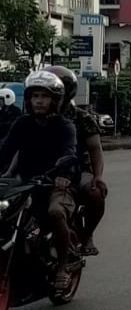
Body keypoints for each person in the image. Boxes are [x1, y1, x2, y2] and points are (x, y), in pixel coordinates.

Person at [0, 71, 79, 288]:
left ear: (55, 100)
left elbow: (70, 153)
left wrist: (64, 175)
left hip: (56, 184)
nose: (39, 101)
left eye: (45, 96)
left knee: (55, 212)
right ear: (28, 99)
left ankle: (62, 265)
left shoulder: (65, 126)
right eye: (35, 96)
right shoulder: (21, 124)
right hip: (24, 184)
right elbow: (5, 151)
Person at [44, 66, 107, 257]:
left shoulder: (81, 118)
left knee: (95, 194)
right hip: (42, 170)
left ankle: (87, 235)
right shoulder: (33, 118)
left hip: (78, 170)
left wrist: (97, 176)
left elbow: (95, 149)